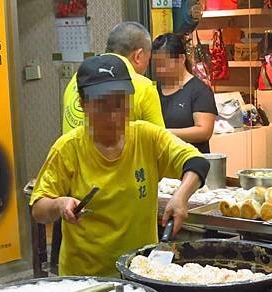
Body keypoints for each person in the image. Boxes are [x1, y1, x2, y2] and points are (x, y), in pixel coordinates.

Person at [32, 54, 209, 276]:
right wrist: (59, 204)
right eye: (103, 105)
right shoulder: (68, 148)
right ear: (83, 104)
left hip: (141, 270)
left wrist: (181, 196)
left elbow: (196, 162)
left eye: (120, 102)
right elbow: (39, 209)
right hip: (86, 278)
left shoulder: (147, 136)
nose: (114, 114)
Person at [61, 21, 164, 133]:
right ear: (138, 56)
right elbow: (160, 143)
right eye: (148, 59)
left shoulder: (77, 78)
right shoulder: (144, 87)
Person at [151, 33, 217, 154]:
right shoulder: (153, 89)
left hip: (190, 163)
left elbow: (204, 131)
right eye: (156, 65)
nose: (159, 70)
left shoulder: (200, 90)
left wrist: (163, 134)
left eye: (163, 64)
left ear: (181, 59)